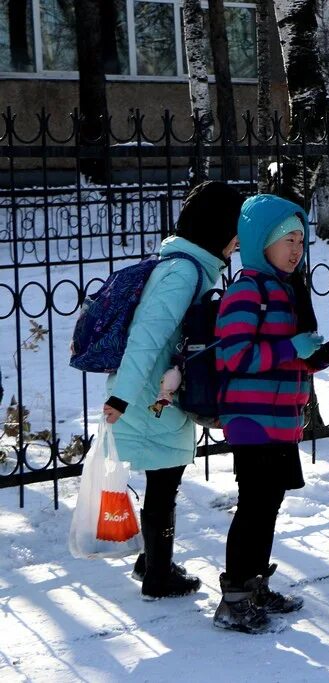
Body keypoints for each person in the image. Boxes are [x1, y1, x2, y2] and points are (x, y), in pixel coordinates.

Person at [102, 181, 244, 600]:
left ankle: (153, 562)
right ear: (216, 228)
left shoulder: (191, 266)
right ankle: (157, 575)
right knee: (165, 484)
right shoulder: (182, 273)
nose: (238, 240)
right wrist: (122, 397)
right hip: (149, 397)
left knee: (164, 481)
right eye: (233, 228)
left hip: (157, 392)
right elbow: (146, 337)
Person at [211, 194, 329, 633]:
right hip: (251, 419)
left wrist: (321, 355)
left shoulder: (287, 291)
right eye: (287, 239)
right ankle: (234, 600)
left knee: (269, 504)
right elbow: (233, 356)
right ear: (259, 242)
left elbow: (293, 358)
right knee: (253, 506)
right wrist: (291, 348)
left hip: (281, 419)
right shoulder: (246, 290)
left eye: (301, 242)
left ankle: (255, 583)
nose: (295, 249)